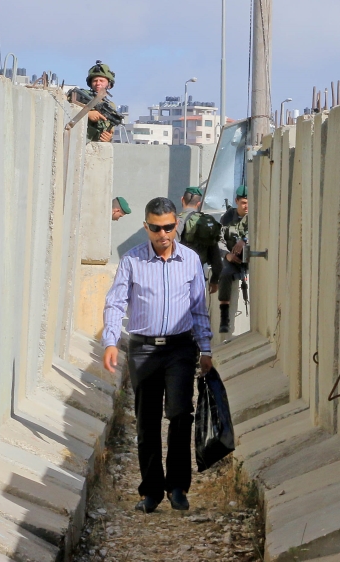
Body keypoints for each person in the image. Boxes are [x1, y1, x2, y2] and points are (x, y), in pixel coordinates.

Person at [102, 197, 213, 514]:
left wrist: (205, 348)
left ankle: (177, 487)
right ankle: (151, 491)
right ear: (146, 227)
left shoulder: (190, 260)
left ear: (175, 225)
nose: (162, 234)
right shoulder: (132, 261)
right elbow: (116, 302)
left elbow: (198, 309)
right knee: (147, 421)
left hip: (180, 348)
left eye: (167, 227)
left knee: (180, 415)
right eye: (155, 228)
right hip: (143, 349)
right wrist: (111, 341)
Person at [177, 187, 221, 295]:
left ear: (182, 199)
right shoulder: (206, 222)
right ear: (199, 203)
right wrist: (215, 280)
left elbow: (170, 248)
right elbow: (215, 256)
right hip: (199, 276)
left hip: (179, 277)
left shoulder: (178, 221)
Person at [218, 185, 249, 333]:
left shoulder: (255, 215)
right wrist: (227, 255)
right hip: (233, 260)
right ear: (236, 201)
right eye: (243, 202)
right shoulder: (227, 217)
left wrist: (245, 240)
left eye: (249, 202)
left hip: (253, 259)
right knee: (224, 273)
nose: (246, 206)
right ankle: (224, 317)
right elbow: (219, 239)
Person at [86, 61, 118, 143]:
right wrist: (87, 113)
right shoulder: (82, 96)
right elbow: (67, 110)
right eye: (95, 81)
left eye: (101, 80)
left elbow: (109, 131)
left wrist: (108, 138)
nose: (98, 83)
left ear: (109, 84)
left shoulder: (110, 106)